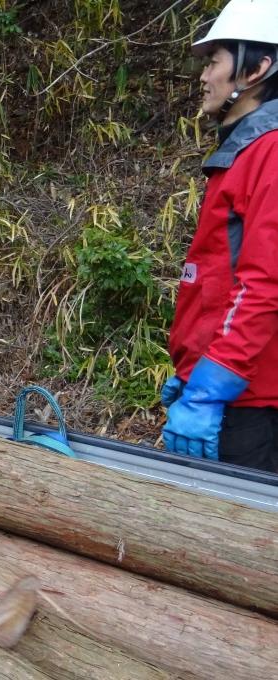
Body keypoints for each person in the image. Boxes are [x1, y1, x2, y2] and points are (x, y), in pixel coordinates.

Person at [161, 0, 278, 472]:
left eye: (214, 62)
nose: (204, 76)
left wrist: (211, 386)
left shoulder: (269, 153)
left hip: (248, 404)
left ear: (257, 69)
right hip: (232, 393)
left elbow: (264, 284)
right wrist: (192, 370)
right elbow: (217, 281)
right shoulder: (244, 153)